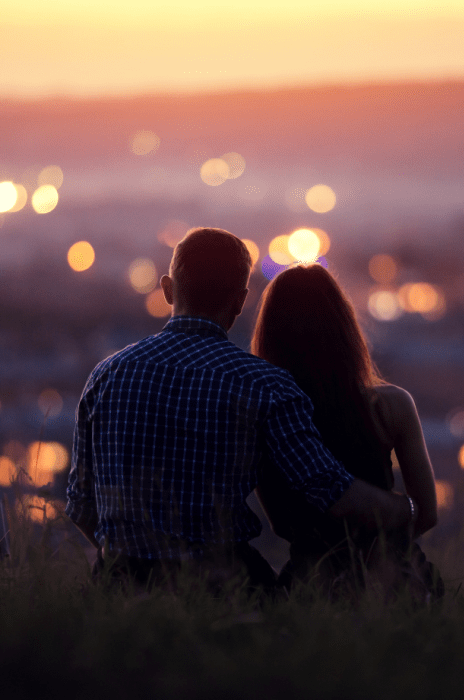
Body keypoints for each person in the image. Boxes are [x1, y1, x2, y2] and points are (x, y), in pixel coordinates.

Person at [65, 227, 415, 592]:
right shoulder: (264, 385)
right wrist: (405, 510)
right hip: (221, 586)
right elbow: (331, 493)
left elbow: (81, 507)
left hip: (119, 586)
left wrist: (136, 563)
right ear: (240, 301)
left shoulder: (108, 375)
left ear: (168, 289)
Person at [252, 263, 439, 594]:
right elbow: (425, 513)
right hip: (398, 575)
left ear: (270, 337)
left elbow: (280, 523)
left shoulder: (266, 414)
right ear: (345, 329)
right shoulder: (392, 406)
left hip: (311, 579)